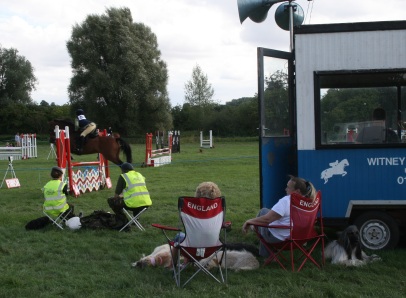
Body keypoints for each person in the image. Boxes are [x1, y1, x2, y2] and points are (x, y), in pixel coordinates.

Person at [242, 175, 316, 257]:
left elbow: (267, 219)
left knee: (263, 213)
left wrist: (249, 221)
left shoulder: (286, 201)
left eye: (288, 187)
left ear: (297, 191)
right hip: (301, 238)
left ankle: (265, 255)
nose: (285, 189)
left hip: (281, 239)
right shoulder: (310, 202)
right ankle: (255, 229)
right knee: (267, 214)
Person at [107, 162, 152, 229]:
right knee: (136, 200)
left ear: (123, 170)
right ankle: (136, 219)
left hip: (132, 204)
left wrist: (118, 197)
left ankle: (122, 221)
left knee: (112, 200)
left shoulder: (123, 176)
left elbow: (116, 195)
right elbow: (135, 190)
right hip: (146, 204)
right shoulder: (140, 175)